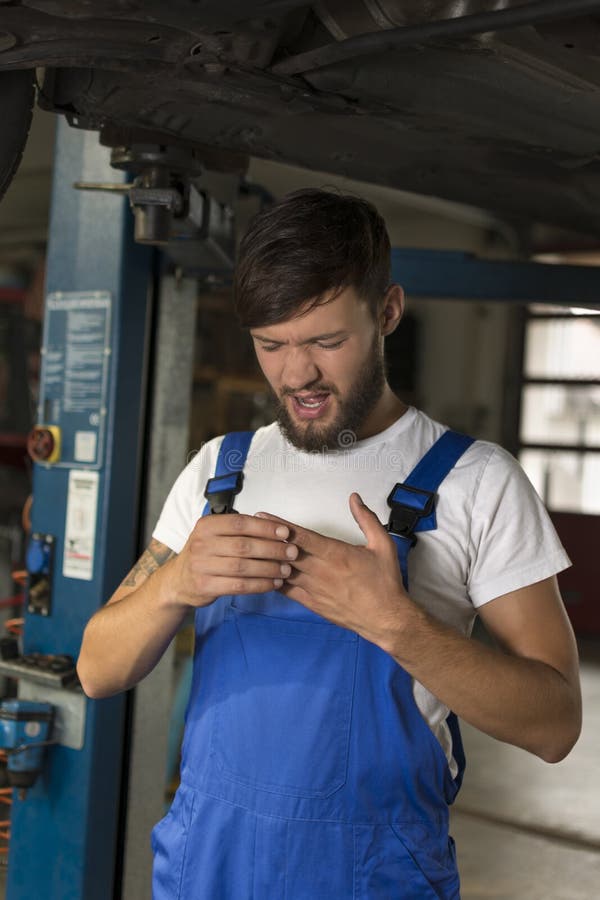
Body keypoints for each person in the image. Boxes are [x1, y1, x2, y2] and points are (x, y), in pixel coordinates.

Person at [77, 188, 582, 899]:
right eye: (271, 344)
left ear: (388, 312)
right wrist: (175, 582)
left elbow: (555, 725)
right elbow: (97, 669)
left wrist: (397, 624)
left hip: (373, 878)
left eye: (325, 341)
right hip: (208, 868)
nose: (296, 375)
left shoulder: (477, 482)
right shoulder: (222, 471)